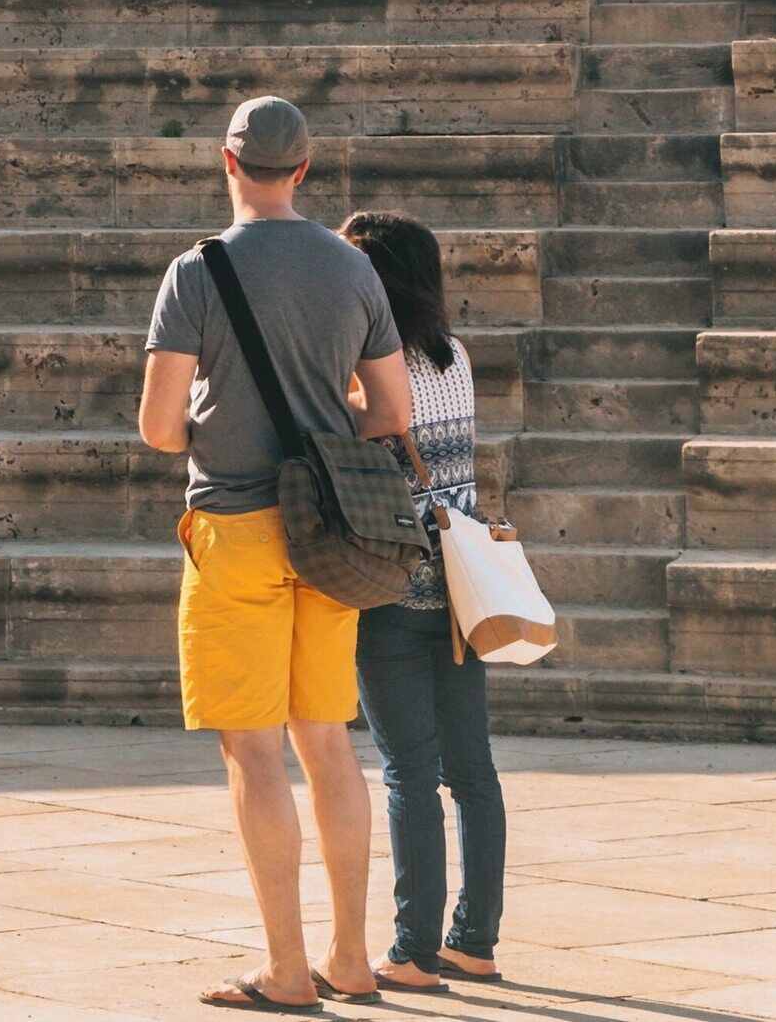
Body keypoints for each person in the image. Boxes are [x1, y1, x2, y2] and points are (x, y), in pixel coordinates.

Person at [141, 97, 413, 1013]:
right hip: (328, 531)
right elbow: (390, 413)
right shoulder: (352, 267)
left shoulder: (197, 271)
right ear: (305, 169)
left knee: (255, 754)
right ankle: (351, 955)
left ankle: (286, 969)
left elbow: (156, 424)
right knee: (329, 742)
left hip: (235, 525)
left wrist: (217, 427)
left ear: (227, 160)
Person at [341, 210, 506, 991]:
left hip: (393, 583)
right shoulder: (457, 356)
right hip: (462, 589)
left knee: (409, 769)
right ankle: (473, 939)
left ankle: (411, 948)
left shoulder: (364, 367)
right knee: (471, 768)